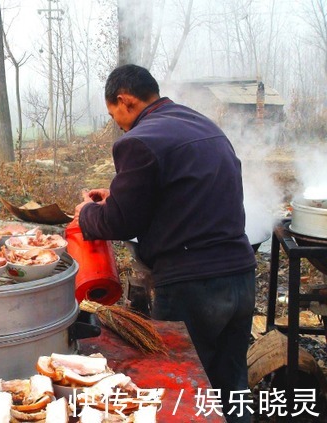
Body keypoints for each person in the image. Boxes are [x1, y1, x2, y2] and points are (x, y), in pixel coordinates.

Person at [74, 64, 256, 423]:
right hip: (241, 275)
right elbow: (185, 191)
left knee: (179, 389)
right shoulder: (202, 125)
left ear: (125, 101)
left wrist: (85, 216)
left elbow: (122, 222)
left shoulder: (137, 141)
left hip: (193, 285)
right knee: (231, 384)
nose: (120, 125)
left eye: (116, 116)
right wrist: (118, 195)